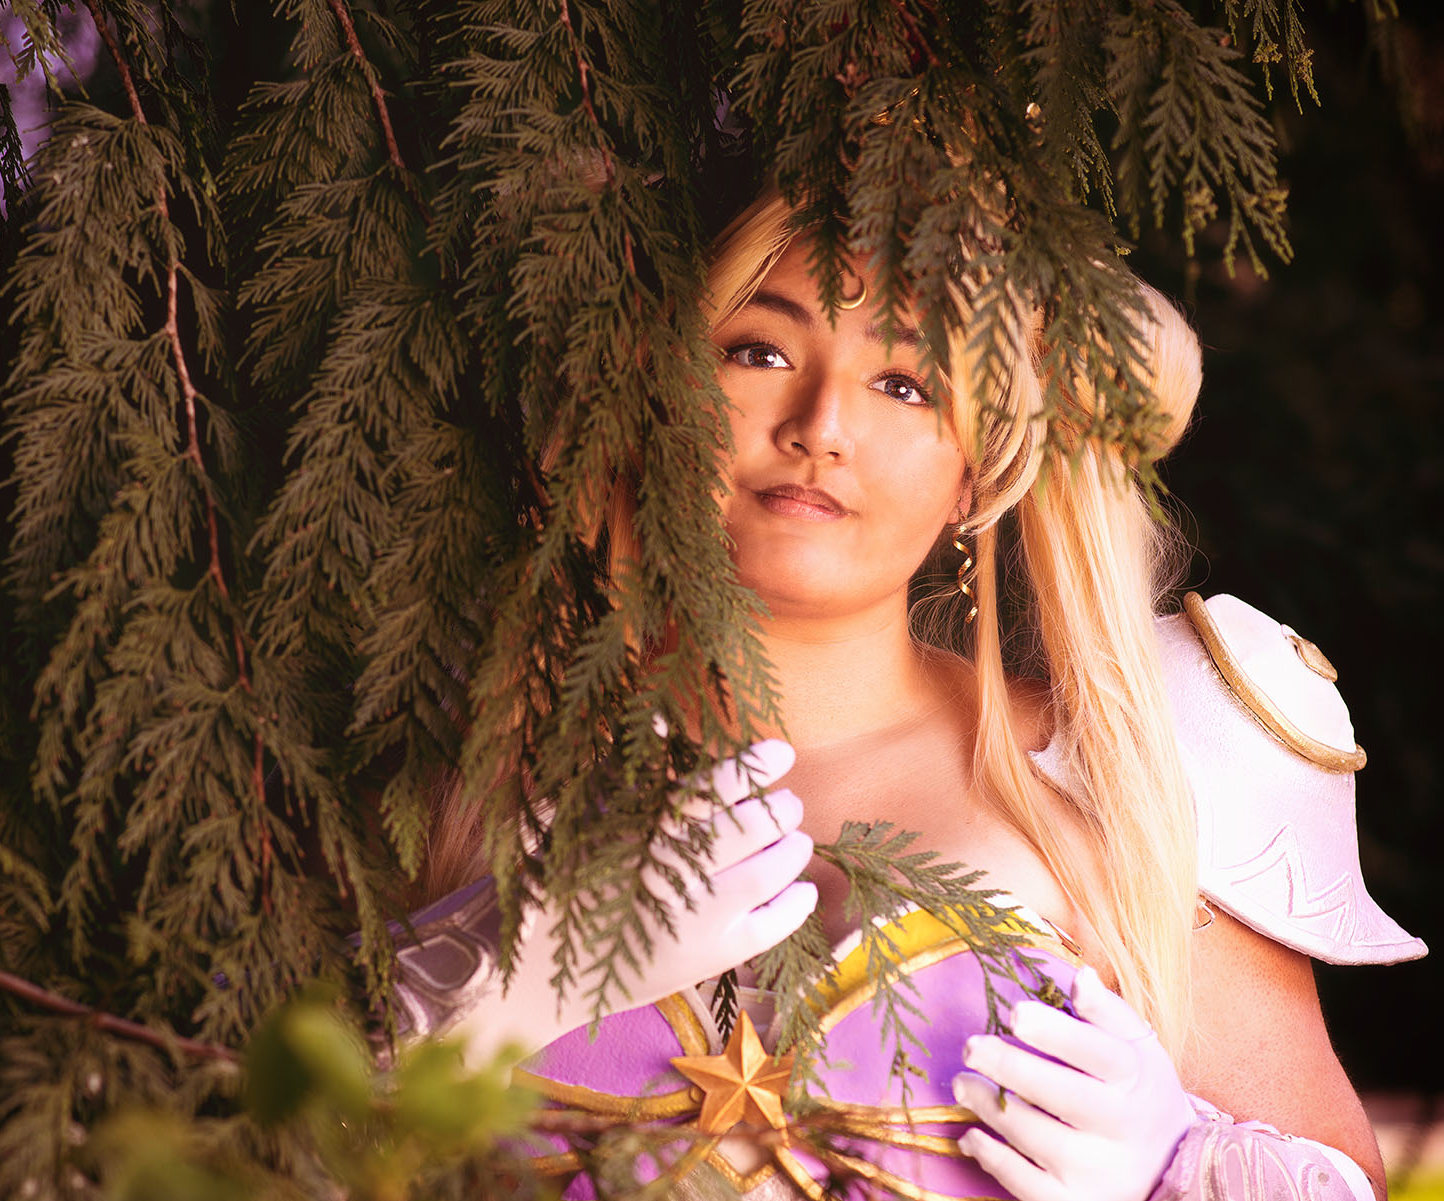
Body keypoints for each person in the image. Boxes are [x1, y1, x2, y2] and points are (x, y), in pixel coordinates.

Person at [379, 191, 1425, 1200]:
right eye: (759, 351)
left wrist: (1170, 1170)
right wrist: (487, 995)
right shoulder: (465, 767)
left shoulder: (1129, 768)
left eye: (905, 384)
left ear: (976, 473)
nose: (822, 425)